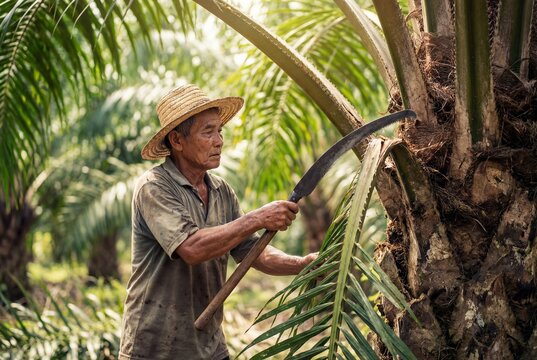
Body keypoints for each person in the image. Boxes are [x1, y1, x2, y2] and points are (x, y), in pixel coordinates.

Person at [119, 84, 317, 360]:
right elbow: (192, 249)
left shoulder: (222, 191)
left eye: (220, 130)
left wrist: (302, 264)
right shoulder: (154, 188)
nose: (219, 141)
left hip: (209, 347)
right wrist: (258, 217)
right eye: (208, 132)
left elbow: (252, 252)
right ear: (177, 141)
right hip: (155, 348)